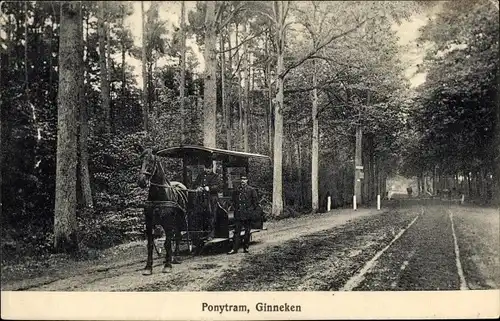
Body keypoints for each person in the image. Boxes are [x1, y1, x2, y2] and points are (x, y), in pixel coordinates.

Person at [228, 175, 258, 254]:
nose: (243, 181)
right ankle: (234, 249)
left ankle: (246, 247)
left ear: (247, 180)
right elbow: (233, 201)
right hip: (238, 214)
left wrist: (250, 211)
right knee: (237, 232)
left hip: (247, 214)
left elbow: (255, 203)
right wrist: (235, 209)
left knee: (247, 232)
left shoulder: (251, 190)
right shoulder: (237, 190)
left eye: (244, 179)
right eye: (241, 179)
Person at [193, 159, 222, 239]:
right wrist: (198, 187)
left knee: (212, 215)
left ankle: (211, 234)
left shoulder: (216, 176)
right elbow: (195, 184)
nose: (208, 170)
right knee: (198, 214)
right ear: (204, 168)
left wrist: (209, 188)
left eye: (209, 168)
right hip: (201, 198)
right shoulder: (200, 175)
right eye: (206, 168)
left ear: (212, 168)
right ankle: (200, 233)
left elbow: (219, 187)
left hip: (212, 198)